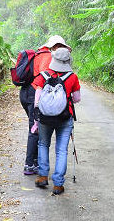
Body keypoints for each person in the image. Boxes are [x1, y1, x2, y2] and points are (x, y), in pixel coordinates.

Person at [32, 46, 81, 195]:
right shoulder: (72, 77)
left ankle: (42, 176)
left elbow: (37, 99)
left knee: (43, 144)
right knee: (61, 150)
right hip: (65, 117)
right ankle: (58, 184)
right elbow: (77, 98)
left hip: (45, 118)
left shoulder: (44, 75)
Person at [20, 35, 70, 175]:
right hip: (34, 91)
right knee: (35, 127)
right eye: (60, 47)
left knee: (36, 127)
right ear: (54, 47)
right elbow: (45, 77)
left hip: (28, 92)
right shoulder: (48, 56)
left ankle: (35, 161)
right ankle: (29, 164)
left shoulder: (40, 54)